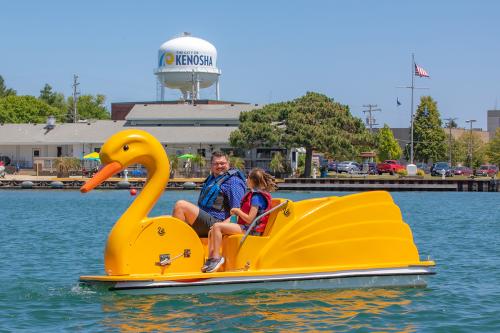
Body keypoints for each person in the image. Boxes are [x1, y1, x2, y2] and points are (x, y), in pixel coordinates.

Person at [202, 168, 277, 273]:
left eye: (248, 178)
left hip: (251, 230)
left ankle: (216, 258)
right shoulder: (252, 195)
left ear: (252, 181)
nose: (246, 180)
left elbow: (250, 219)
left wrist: (238, 211)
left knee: (217, 227)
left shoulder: (257, 198)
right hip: (245, 227)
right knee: (213, 229)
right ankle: (211, 259)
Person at [172, 151, 246, 237]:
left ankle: (178, 245)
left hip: (217, 222)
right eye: (216, 164)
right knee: (173, 217)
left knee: (181, 206)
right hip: (206, 222)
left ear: (228, 164)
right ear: (211, 166)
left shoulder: (233, 182)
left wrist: (218, 228)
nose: (219, 166)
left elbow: (238, 213)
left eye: (222, 163)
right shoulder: (212, 179)